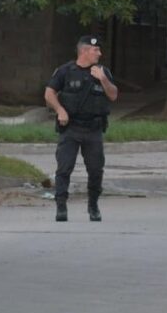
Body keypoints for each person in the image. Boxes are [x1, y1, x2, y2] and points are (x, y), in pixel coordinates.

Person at [43, 35, 119, 222]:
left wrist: (103, 80)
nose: (99, 54)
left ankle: (93, 205)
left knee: (95, 170)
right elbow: (49, 93)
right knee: (64, 168)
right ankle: (61, 206)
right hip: (71, 128)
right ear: (84, 51)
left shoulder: (103, 72)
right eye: (96, 50)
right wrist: (60, 110)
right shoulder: (65, 71)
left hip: (94, 129)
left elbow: (113, 95)